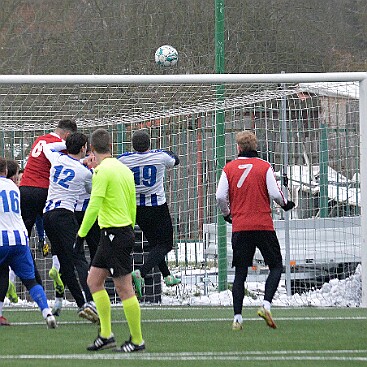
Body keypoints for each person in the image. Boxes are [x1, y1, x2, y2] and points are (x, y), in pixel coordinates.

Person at [216, 130, 295, 331]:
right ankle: (266, 305)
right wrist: (285, 205)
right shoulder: (264, 166)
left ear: (238, 148)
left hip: (240, 227)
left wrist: (227, 214)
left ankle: (237, 318)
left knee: (240, 272)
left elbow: (219, 196)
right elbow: (275, 193)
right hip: (263, 225)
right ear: (255, 147)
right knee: (276, 265)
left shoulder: (229, 168)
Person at [77, 128, 144, 352]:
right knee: (93, 281)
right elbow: (132, 202)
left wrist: (81, 234)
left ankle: (137, 340)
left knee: (123, 287)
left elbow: (94, 205)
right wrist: (130, 226)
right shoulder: (123, 170)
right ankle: (106, 334)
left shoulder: (102, 172)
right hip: (114, 233)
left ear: (92, 150)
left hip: (116, 233)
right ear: (111, 146)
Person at [42, 133, 98, 323]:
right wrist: (88, 165)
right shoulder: (85, 172)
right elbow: (91, 191)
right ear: (84, 148)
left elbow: (46, 148)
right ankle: (91, 301)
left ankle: (81, 303)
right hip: (64, 216)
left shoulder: (57, 158)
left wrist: (64, 146)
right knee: (78, 258)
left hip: (47, 215)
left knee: (65, 262)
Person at [118, 129, 181, 298]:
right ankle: (142, 272)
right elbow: (175, 160)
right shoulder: (160, 156)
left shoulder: (124, 159)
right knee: (166, 244)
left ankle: (167, 276)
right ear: (149, 143)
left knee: (155, 244)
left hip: (136, 208)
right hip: (157, 206)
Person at [0, 157, 56, 328]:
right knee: (30, 281)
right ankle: (47, 312)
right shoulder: (14, 188)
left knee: (1, 275)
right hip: (20, 239)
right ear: (7, 172)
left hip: (1, 239)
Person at [19, 119, 77, 264]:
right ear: (68, 134)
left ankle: (13, 272)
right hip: (44, 191)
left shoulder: (40, 139)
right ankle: (58, 267)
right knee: (55, 232)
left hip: (25, 189)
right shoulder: (61, 146)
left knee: (23, 232)